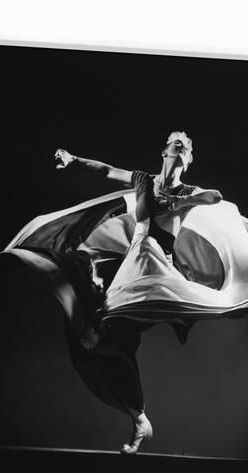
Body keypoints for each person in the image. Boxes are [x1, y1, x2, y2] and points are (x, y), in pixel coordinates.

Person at [54, 132, 224, 453]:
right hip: (132, 267)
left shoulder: (187, 190)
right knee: (103, 345)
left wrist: (184, 201)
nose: (180, 147)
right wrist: (74, 160)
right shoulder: (144, 181)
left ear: (187, 161)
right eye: (175, 143)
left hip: (156, 273)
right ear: (164, 152)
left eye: (185, 147)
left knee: (105, 332)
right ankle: (139, 418)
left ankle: (137, 414)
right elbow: (106, 171)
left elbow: (214, 196)